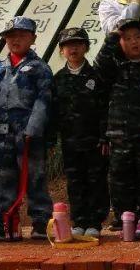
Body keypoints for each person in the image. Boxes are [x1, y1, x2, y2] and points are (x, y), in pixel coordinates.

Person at [95, 18, 140, 239]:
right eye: (127, 38)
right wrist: (111, 37)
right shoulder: (114, 70)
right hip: (119, 138)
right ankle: (125, 219)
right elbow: (99, 65)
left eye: (137, 37)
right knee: (119, 181)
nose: (134, 42)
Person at [0, 16, 54, 240]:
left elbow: (44, 100)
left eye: (22, 35)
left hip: (29, 133)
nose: (16, 39)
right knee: (2, 179)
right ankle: (5, 223)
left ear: (32, 38)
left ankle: (41, 223)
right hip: (2, 133)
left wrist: (32, 129)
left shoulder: (39, 68)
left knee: (35, 177)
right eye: (11, 36)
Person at [50, 27, 110, 238]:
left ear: (85, 47)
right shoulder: (58, 79)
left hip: (94, 141)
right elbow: (53, 113)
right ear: (61, 50)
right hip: (70, 142)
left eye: (77, 44)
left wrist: (105, 136)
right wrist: (52, 140)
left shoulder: (96, 77)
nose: (73, 48)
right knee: (75, 182)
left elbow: (105, 110)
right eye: (68, 45)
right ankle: (80, 220)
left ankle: (95, 221)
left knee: (96, 181)